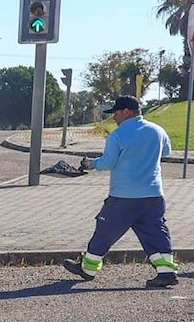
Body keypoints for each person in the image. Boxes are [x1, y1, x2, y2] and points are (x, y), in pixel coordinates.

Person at [67, 94, 179, 287]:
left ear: (126, 112)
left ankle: (88, 268)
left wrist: (91, 163)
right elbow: (166, 152)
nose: (114, 118)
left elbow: (108, 162)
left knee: (106, 229)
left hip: (124, 196)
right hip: (153, 194)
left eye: (116, 113)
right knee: (156, 231)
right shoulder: (157, 130)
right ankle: (166, 271)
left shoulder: (118, 134)